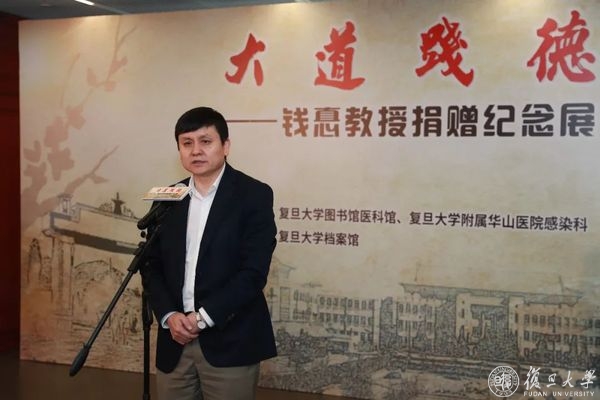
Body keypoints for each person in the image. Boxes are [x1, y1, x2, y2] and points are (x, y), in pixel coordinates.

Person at [145, 106, 277, 400]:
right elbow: (151, 265)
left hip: (230, 340)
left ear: (225, 146)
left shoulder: (254, 195)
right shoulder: (167, 199)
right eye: (187, 143)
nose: (196, 150)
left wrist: (202, 318)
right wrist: (168, 315)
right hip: (174, 341)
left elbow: (253, 272)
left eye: (206, 141)